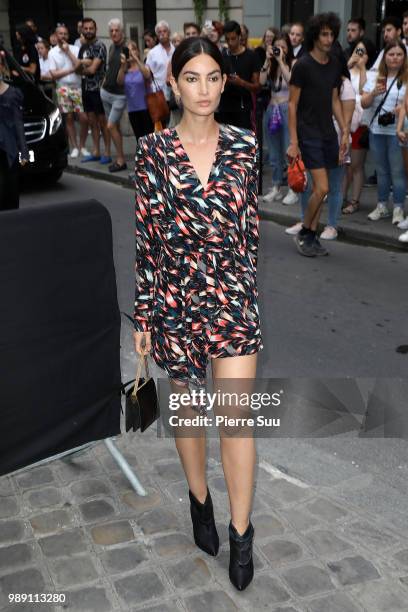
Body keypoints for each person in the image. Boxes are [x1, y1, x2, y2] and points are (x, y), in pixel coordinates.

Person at [133, 35, 262, 592]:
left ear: (224, 82)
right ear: (174, 83)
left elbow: (250, 231)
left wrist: (249, 296)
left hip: (232, 301)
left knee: (235, 420)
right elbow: (146, 241)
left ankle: (240, 533)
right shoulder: (152, 153)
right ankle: (200, 502)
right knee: (189, 418)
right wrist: (143, 316)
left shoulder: (246, 145)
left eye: (214, 77)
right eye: (193, 77)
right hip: (176, 301)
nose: (204, 89)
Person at [287, 12, 348, 257]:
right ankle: (305, 231)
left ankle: (312, 235)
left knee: (322, 191)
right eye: (324, 34)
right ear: (315, 36)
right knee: (321, 188)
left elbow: (334, 100)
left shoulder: (334, 62)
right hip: (307, 133)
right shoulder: (302, 65)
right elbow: (292, 105)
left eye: (332, 34)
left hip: (327, 133)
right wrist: (293, 141)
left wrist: (344, 130)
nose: (329, 38)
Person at [361, 41, 408, 225]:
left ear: (404, 57)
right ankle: (382, 206)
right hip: (377, 130)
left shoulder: (406, 78)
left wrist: (402, 108)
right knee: (381, 170)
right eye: (391, 54)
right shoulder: (375, 77)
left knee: (397, 171)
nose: (395, 58)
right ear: (384, 56)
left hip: (398, 132)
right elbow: (364, 103)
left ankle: (398, 207)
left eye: (399, 54)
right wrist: (373, 93)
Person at [342, 37, 377, 214]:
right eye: (357, 50)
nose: (359, 54)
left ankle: (354, 200)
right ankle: (341, 197)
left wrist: (362, 67)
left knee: (356, 164)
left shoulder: (371, 73)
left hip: (360, 123)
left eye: (363, 51)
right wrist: (350, 63)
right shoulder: (347, 69)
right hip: (343, 121)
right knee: (343, 164)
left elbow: (365, 91)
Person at [260, 33, 296, 204]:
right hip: (271, 110)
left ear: (288, 48)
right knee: (274, 153)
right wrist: (267, 61)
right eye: (277, 47)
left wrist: (281, 61)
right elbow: (260, 82)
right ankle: (276, 187)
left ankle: (293, 188)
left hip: (286, 110)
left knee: (288, 150)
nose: (279, 50)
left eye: (283, 46)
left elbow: (291, 82)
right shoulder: (271, 65)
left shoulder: (293, 63)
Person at [48, 24, 90, 159]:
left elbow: (79, 65)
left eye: (65, 34)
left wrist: (68, 52)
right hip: (63, 87)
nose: (63, 36)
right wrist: (71, 70)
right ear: (56, 36)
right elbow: (54, 74)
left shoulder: (75, 49)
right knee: (69, 118)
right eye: (60, 34)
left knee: (83, 118)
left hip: (77, 87)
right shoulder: (52, 52)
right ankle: (75, 147)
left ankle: (82, 145)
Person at [77, 17, 111, 164]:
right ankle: (96, 151)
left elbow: (92, 70)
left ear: (95, 30)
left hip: (98, 89)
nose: (88, 31)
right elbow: (78, 70)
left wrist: (84, 66)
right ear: (82, 30)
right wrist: (83, 65)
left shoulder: (100, 46)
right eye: (86, 28)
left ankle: (108, 152)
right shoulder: (83, 47)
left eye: (91, 28)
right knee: (92, 122)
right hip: (85, 89)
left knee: (103, 122)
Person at [216, 20, 260, 129]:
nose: (230, 43)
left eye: (233, 38)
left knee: (242, 144)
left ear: (240, 37)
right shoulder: (223, 55)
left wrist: (241, 82)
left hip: (243, 109)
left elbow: (257, 87)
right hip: (224, 108)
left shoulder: (251, 56)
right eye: (227, 39)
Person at [0, 50, 29, 210]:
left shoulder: (13, 94)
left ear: (2, 68)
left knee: (9, 192)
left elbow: (18, 123)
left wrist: (24, 151)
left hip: (8, 150)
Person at [100, 19, 128, 172]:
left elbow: (125, 75)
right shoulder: (112, 47)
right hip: (106, 92)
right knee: (114, 126)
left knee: (110, 126)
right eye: (111, 31)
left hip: (119, 95)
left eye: (117, 30)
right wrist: (103, 82)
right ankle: (119, 157)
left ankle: (121, 159)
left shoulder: (126, 48)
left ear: (122, 31)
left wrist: (124, 67)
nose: (114, 33)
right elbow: (109, 67)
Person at [117, 40, 153, 141]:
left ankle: (152, 156)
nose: (130, 52)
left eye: (133, 49)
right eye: (128, 50)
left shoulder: (144, 66)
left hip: (145, 108)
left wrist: (136, 59)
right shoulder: (125, 70)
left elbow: (147, 75)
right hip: (132, 109)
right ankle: (143, 156)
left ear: (137, 51)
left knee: (149, 137)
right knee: (139, 138)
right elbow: (119, 82)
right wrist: (122, 65)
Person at [145, 20, 175, 105]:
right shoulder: (152, 53)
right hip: (158, 95)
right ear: (157, 35)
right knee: (160, 118)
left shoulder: (176, 50)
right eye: (159, 32)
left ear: (169, 32)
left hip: (174, 95)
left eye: (164, 31)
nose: (162, 34)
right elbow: (147, 74)